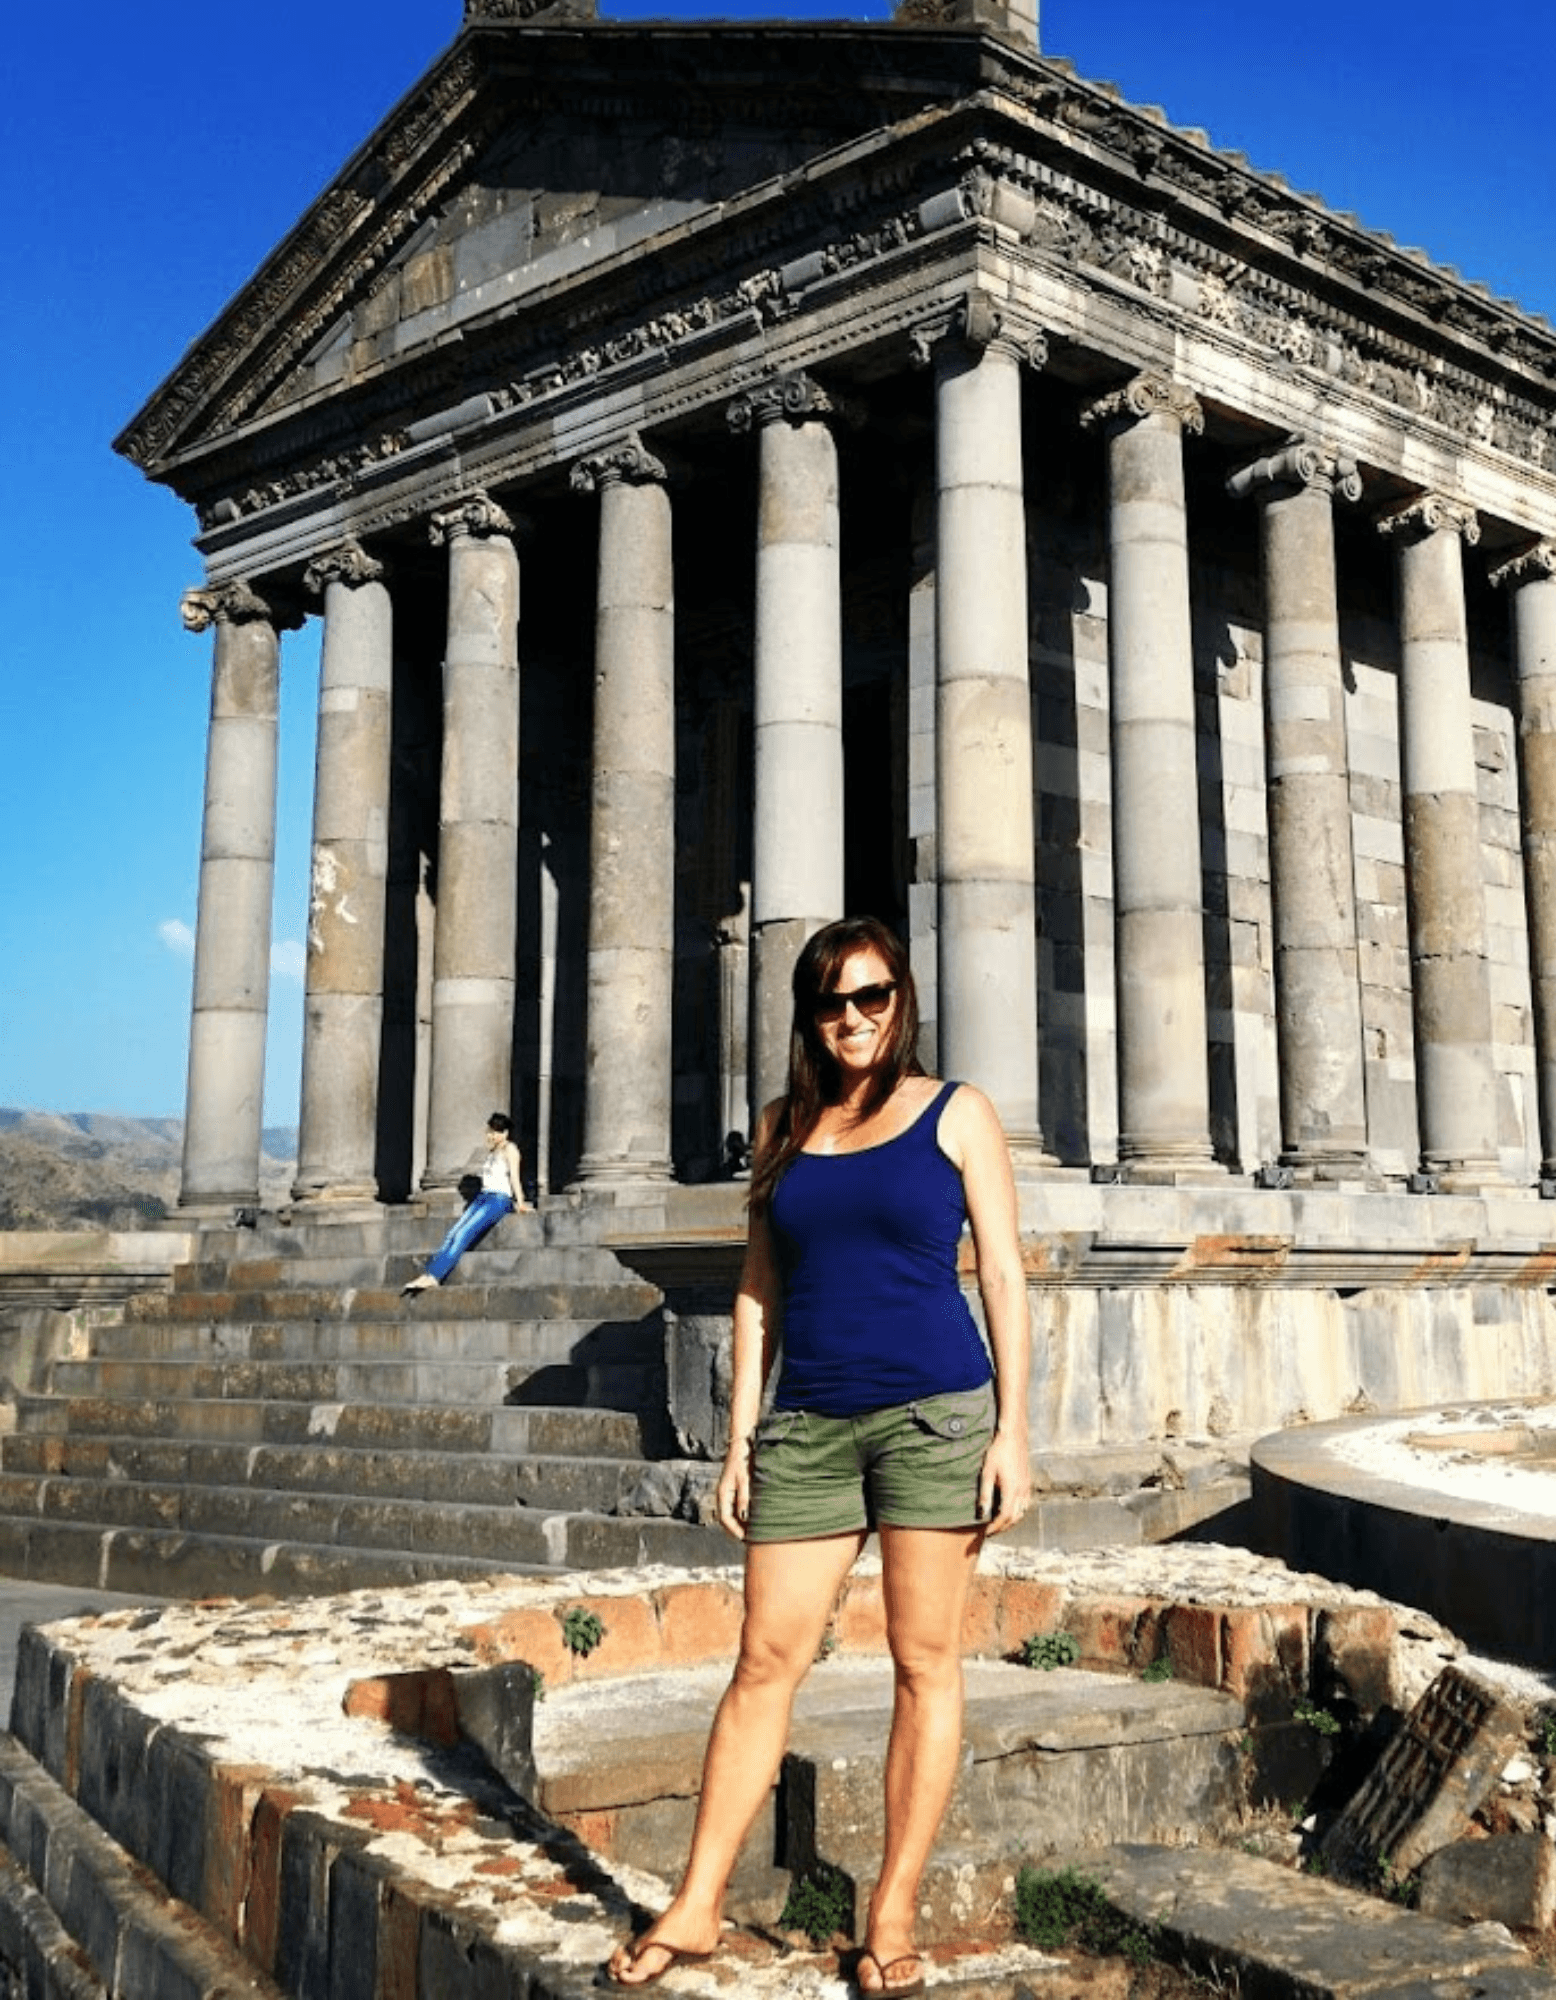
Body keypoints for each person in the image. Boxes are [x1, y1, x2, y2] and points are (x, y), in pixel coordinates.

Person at [607, 916, 1031, 1996]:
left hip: (934, 1412)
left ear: (902, 999)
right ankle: (697, 1904)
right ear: (809, 1014)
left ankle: (888, 1914)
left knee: (921, 1661)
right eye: (832, 1002)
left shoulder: (954, 1111)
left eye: (873, 996)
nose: (854, 1018)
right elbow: (759, 1285)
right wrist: (740, 1435)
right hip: (808, 1424)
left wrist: (1016, 1428)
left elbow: (1004, 1276)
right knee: (762, 1662)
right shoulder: (780, 1125)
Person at [401, 1112, 530, 1295]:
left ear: (506, 1133)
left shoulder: (510, 1149)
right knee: (452, 1233)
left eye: (498, 1131)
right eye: (492, 1131)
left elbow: (515, 1178)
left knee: (463, 1234)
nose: (494, 1135)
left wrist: (521, 1202)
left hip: (499, 1199)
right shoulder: (491, 1152)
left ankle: (434, 1276)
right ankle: (429, 1273)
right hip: (483, 1197)